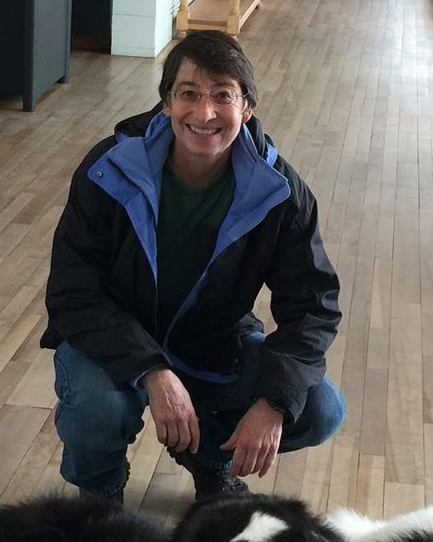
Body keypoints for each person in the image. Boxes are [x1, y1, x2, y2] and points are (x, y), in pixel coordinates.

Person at [42, 31, 346, 502]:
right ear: (166, 103)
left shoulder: (280, 191)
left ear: (247, 108)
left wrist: (273, 401)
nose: (204, 114)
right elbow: (72, 292)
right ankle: (100, 495)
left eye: (222, 95)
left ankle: (210, 461)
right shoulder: (109, 168)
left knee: (319, 408)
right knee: (98, 406)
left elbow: (313, 306)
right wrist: (152, 371)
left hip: (213, 340)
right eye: (188, 94)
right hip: (111, 338)